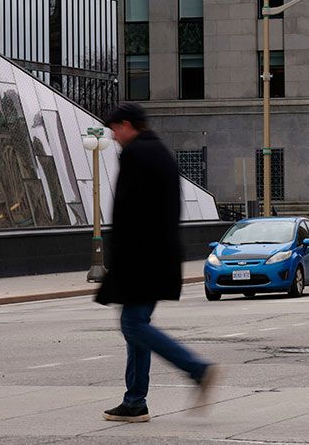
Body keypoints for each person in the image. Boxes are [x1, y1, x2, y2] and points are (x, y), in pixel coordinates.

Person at [95, 102, 218, 423]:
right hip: (157, 256)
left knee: (132, 325)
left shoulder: (137, 154)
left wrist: (118, 259)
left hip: (140, 258)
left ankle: (197, 369)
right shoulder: (159, 151)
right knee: (136, 327)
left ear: (126, 125)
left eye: (115, 129)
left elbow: (128, 212)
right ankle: (135, 401)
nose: (113, 136)